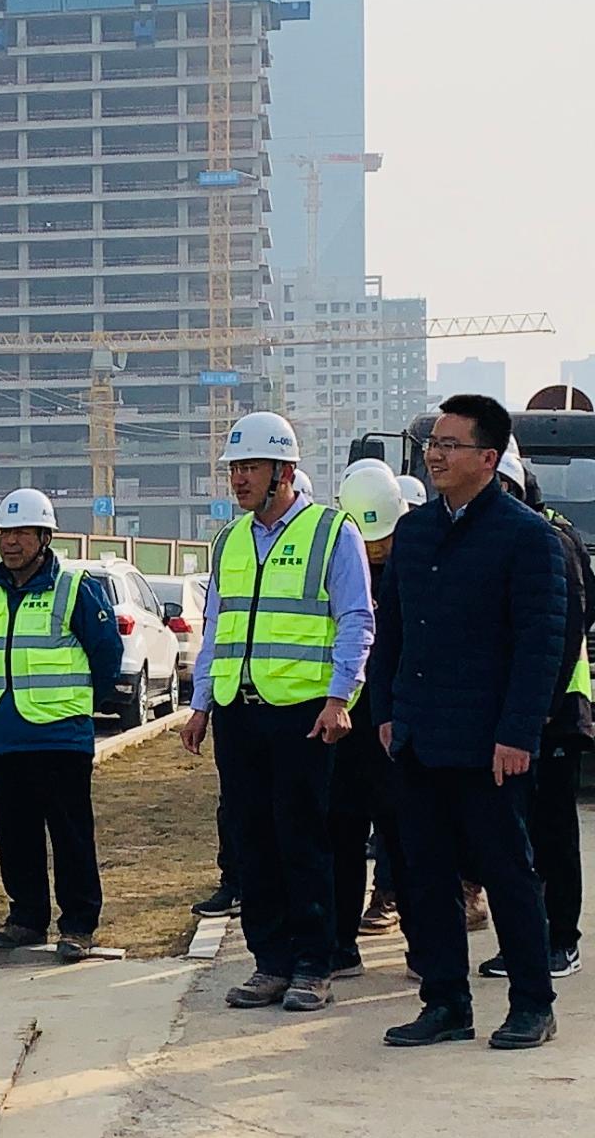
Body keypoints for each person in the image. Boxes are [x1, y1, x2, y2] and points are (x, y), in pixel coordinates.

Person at [370, 395, 565, 1050]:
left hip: (489, 745)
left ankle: (533, 1004)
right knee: (426, 877)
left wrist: (519, 733)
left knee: (508, 875)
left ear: (488, 458)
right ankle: (445, 1002)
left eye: (450, 444)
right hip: (419, 737)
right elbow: (392, 633)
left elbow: (540, 646)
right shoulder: (416, 531)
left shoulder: (526, 536)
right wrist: (386, 713)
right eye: (433, 442)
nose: (435, 454)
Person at [183, 411, 373, 1013]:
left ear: (284, 471)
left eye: (250, 467)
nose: (238, 478)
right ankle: (270, 963)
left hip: (303, 715)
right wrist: (200, 704)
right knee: (252, 841)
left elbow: (356, 619)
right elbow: (217, 628)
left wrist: (340, 697)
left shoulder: (332, 532)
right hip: (239, 713)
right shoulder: (229, 540)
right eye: (234, 468)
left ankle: (314, 964)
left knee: (303, 840)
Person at [0, 489, 123, 963]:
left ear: (44, 537)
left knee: (71, 835)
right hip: (3, 734)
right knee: (15, 835)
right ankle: (26, 918)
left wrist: (77, 706)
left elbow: (107, 655)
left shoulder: (74, 589)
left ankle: (78, 925)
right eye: (4, 533)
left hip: (60, 737)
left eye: (21, 533)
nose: (10, 542)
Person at [478, 452, 591, 981]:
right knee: (515, 836)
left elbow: (566, 629)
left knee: (553, 832)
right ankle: (526, 941)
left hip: (556, 712)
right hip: (514, 711)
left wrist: (538, 709)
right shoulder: (495, 537)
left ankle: (561, 940)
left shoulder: (551, 538)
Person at [328, 464, 412, 978]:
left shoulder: (420, 558)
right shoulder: (337, 561)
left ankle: (424, 947)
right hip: (349, 722)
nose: (377, 549)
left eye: (384, 538)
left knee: (408, 837)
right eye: (370, 539)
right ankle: (340, 946)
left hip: (402, 722)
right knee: (342, 833)